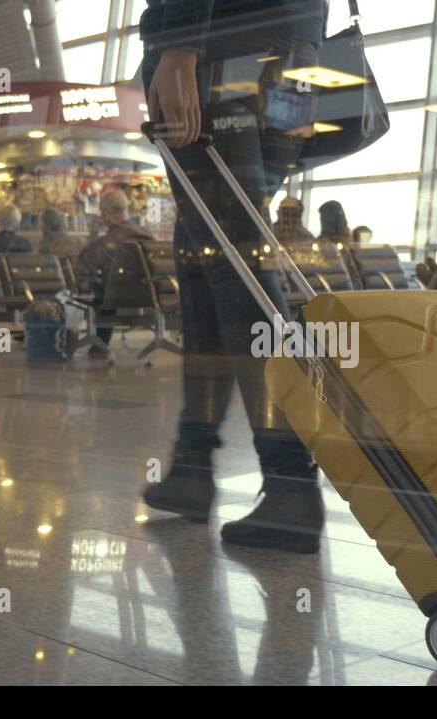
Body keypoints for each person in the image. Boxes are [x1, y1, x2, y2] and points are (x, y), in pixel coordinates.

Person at [139, 0, 328, 553]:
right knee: (206, 254)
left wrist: (179, 43)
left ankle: (291, 483)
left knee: (232, 259)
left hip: (223, 49)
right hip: (290, 56)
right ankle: (193, 467)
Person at [76, 189, 154, 356]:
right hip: (149, 296)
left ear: (105, 214)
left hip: (115, 299)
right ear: (126, 209)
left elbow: (83, 265)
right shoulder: (147, 235)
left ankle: (100, 344)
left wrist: (93, 235)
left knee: (101, 287)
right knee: (111, 286)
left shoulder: (104, 243)